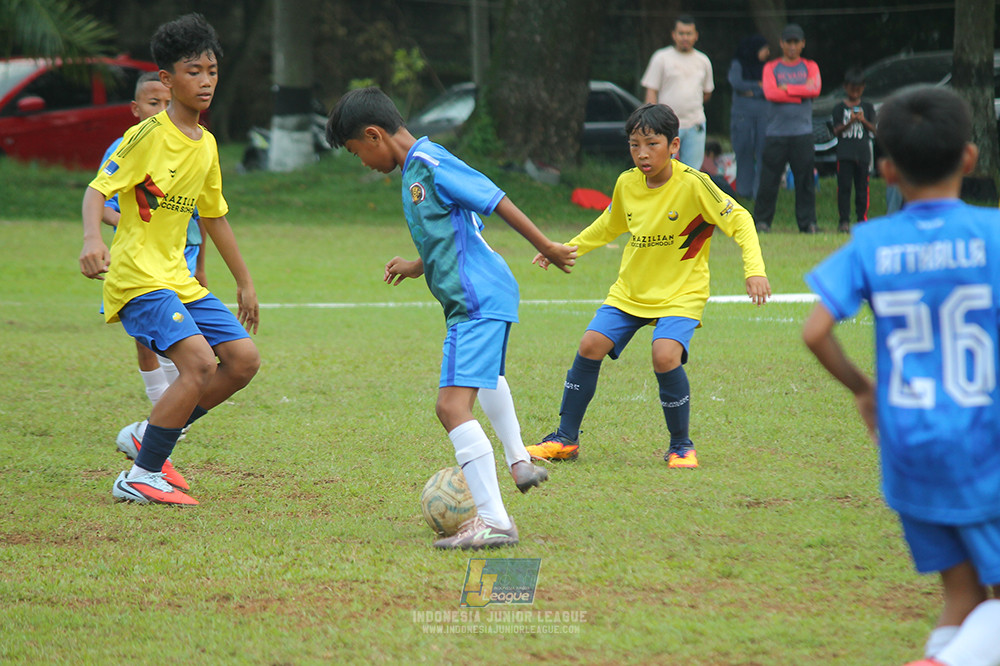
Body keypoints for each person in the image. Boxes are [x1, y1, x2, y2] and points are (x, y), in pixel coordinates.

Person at [325, 86, 576, 550]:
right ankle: (519, 460)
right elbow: (456, 231)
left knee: (450, 407)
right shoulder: (413, 173)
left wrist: (546, 246)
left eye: (358, 152)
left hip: (476, 298)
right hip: (482, 294)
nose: (362, 162)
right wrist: (416, 265)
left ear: (375, 135)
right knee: (486, 380)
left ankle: (494, 520)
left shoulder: (431, 162)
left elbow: (493, 200)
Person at [802, 86, 1000, 666]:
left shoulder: (872, 242)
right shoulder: (992, 235)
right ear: (969, 157)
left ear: (886, 169)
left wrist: (864, 391)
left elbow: (815, 331)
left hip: (909, 442)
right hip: (987, 439)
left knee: (961, 597)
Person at [78, 13, 261, 506]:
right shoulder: (147, 136)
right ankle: (141, 474)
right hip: (138, 278)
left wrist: (244, 282)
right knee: (199, 364)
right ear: (167, 79)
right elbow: (97, 190)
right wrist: (92, 239)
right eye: (193, 71)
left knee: (242, 361)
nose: (205, 81)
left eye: (212, 71)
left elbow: (215, 217)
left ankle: (149, 432)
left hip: (177, 279)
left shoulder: (208, 145)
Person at [526, 103, 770, 469]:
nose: (642, 153)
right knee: (590, 344)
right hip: (632, 290)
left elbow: (742, 220)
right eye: (634, 144)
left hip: (681, 292)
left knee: (665, 354)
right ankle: (565, 439)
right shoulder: (627, 183)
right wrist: (560, 248)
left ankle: (681, 446)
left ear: (674, 146)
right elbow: (609, 225)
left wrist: (755, 270)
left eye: (651, 144)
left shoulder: (695, 184)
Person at [753, 23, 821, 233]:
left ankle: (808, 223)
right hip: (776, 133)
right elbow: (771, 93)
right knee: (769, 180)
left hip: (802, 133)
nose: (792, 46)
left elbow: (815, 89)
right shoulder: (771, 67)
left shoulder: (810, 66)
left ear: (802, 44)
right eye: (788, 42)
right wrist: (801, 93)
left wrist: (788, 88)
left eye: (796, 42)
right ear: (781, 44)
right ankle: (762, 222)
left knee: (805, 181)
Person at [641, 14, 714, 170]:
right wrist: (652, 121)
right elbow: (651, 91)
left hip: (695, 124)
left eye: (689, 33)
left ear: (696, 36)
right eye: (681, 33)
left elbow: (707, 93)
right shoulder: (661, 58)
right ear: (673, 35)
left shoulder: (703, 61)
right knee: (662, 169)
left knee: (692, 172)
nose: (685, 37)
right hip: (666, 126)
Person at [831, 68, 876, 232]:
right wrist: (850, 122)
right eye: (852, 88)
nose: (855, 92)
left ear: (863, 88)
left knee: (862, 188)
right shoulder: (839, 108)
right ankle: (843, 220)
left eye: (858, 88)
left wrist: (862, 120)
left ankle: (861, 218)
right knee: (844, 187)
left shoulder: (868, 107)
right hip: (845, 154)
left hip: (863, 154)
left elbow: (874, 129)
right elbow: (836, 131)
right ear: (845, 87)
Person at [728, 34, 770, 199]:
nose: (768, 52)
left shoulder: (767, 67)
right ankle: (744, 192)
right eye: (764, 49)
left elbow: (770, 87)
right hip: (742, 116)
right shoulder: (738, 64)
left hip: (764, 116)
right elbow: (737, 84)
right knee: (744, 150)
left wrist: (752, 91)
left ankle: (760, 192)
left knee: (763, 152)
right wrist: (758, 86)